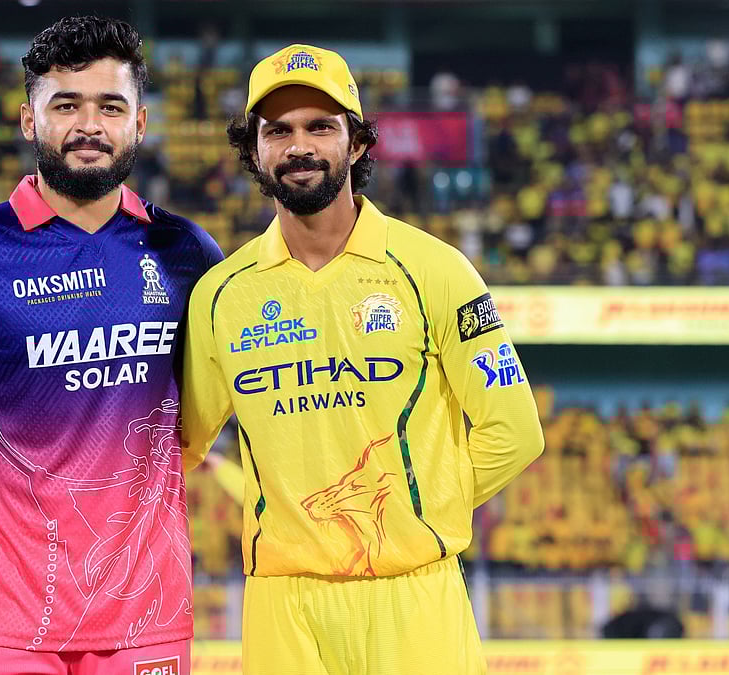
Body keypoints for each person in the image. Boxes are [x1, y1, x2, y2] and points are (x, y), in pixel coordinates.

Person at [0, 16, 222, 675]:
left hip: (148, 622)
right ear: (29, 119)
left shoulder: (190, 256)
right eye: (66, 105)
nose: (89, 125)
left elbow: (210, 411)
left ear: (140, 123)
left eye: (111, 106)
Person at [180, 44, 544, 674]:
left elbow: (514, 433)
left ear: (356, 144)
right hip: (282, 603)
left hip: (416, 592)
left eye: (321, 126)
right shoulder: (221, 294)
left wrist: (409, 509)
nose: (299, 146)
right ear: (254, 150)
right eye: (278, 131)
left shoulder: (434, 269)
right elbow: (176, 442)